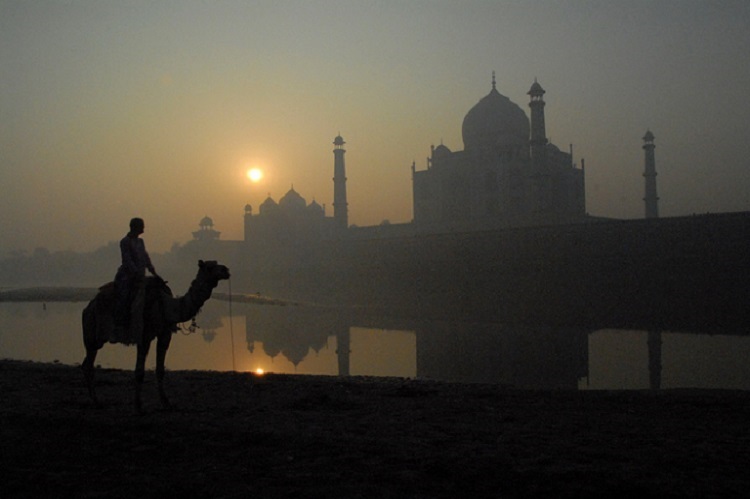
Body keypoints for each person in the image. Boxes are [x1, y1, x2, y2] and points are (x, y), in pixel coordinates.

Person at [114, 217, 159, 329]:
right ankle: (121, 323)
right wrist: (136, 273)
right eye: (141, 226)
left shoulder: (140, 242)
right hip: (127, 276)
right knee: (124, 298)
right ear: (136, 227)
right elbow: (127, 260)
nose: (143, 228)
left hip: (140, 276)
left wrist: (152, 270)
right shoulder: (125, 242)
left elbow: (145, 257)